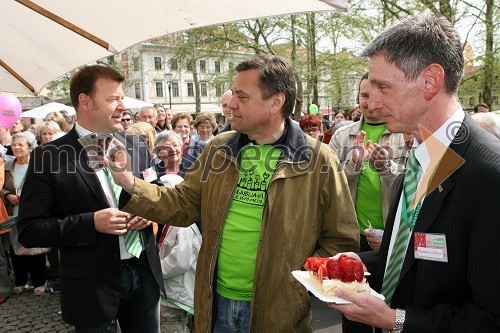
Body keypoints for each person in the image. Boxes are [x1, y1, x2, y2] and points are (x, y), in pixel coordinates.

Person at [109, 54, 360, 332]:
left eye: (242, 97)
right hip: (216, 305)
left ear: (276, 102)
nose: (232, 106)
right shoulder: (219, 148)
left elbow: (340, 239)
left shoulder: (318, 159)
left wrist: (299, 286)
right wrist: (129, 182)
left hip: (279, 314)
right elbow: (182, 205)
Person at [327, 15, 500, 333]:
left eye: (383, 87)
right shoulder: (421, 157)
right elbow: (415, 259)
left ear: (431, 81)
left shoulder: (490, 175)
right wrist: (360, 263)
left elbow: (491, 318)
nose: (372, 104)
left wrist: (395, 321)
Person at [17, 65, 164, 332]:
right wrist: (90, 223)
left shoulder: (137, 145)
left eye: (122, 98)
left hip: (144, 273)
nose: (122, 106)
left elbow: (158, 199)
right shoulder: (48, 157)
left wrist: (149, 213)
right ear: (84, 102)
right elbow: (29, 230)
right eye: (113, 99)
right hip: (92, 286)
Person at [329, 73, 406, 252]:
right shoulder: (341, 136)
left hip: (392, 235)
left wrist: (386, 167)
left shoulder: (404, 134)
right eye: (364, 95)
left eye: (376, 96)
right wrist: (353, 164)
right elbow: (328, 185)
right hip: (348, 235)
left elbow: (413, 186)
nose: (370, 103)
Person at [2, 132, 48, 296]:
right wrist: (8, 195)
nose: (16, 147)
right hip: (13, 214)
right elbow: (1, 186)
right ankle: (21, 281)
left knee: (35, 248)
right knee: (16, 249)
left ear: (30, 148)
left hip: (34, 213)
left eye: (20, 145)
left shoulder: (38, 167)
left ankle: (40, 281)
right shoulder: (7, 166)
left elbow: (48, 189)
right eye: (14, 145)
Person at [179, 112, 217, 177]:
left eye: (208, 127)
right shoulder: (190, 143)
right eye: (202, 126)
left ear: (213, 128)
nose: (205, 130)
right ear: (197, 128)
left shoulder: (217, 143)